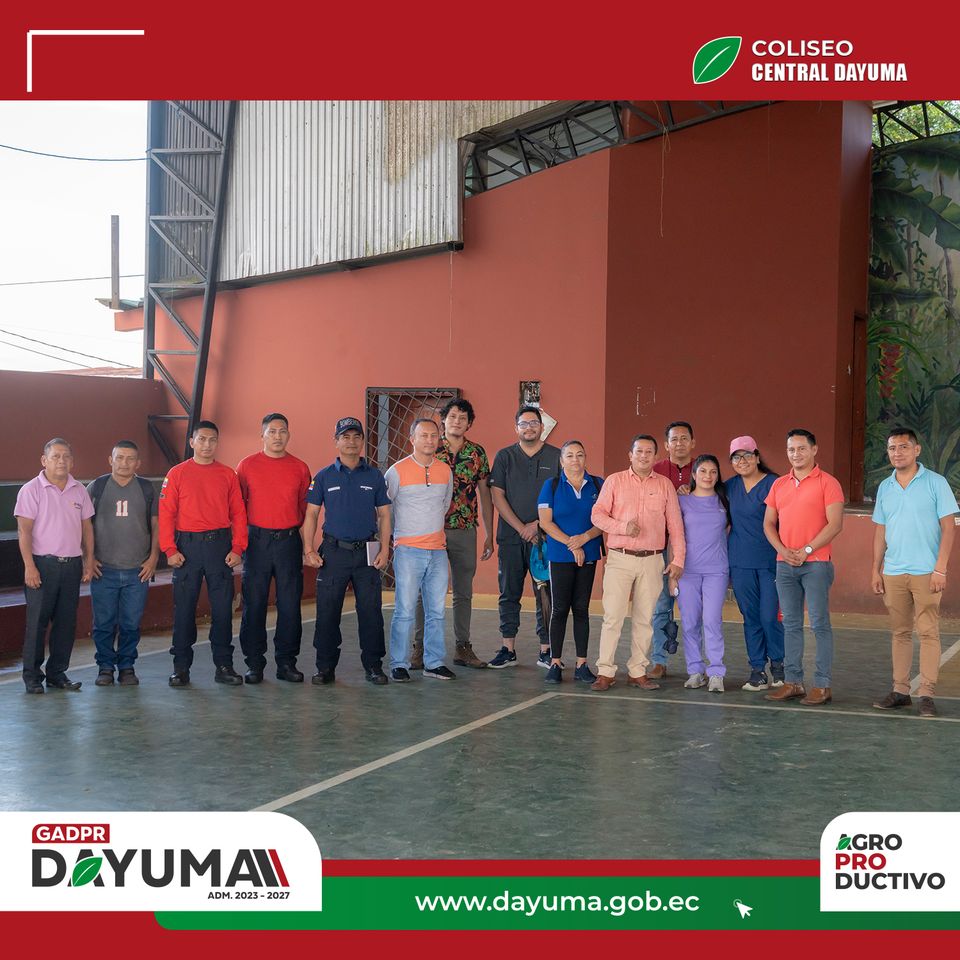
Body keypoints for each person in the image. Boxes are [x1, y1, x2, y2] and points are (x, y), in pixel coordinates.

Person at [871, 426, 958, 719]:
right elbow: (880, 531)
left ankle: (927, 694)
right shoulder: (885, 487)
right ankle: (900, 691)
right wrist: (876, 570)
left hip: (927, 572)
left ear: (916, 450)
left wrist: (940, 569)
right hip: (893, 572)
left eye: (904, 447)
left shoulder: (936, 483)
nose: (897, 453)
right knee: (900, 633)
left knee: (928, 632)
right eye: (892, 448)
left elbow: (948, 528)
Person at [589, 434, 685, 691]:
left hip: (653, 560)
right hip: (620, 558)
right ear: (630, 455)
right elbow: (597, 515)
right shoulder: (614, 481)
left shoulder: (664, 485)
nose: (644, 456)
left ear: (656, 456)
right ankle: (605, 671)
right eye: (639, 451)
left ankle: (638, 671)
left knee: (645, 618)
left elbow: (676, 526)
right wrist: (622, 527)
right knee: (613, 617)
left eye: (648, 452)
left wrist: (678, 560)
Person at [302, 417, 391, 685]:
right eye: (345, 437)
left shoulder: (374, 476)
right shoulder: (323, 477)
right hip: (334, 553)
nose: (351, 442)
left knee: (371, 612)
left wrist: (385, 549)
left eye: (356, 436)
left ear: (362, 441)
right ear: (336, 441)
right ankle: (325, 667)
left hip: (366, 553)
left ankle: (374, 666)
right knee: (327, 613)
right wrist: (308, 548)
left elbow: (384, 515)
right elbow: (311, 514)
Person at [159, 420, 248, 688]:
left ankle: (224, 666)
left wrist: (238, 547)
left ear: (217, 443)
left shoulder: (228, 474)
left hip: (219, 548)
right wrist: (169, 549)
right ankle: (180, 668)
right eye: (202, 439)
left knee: (222, 610)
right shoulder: (176, 473)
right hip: (186, 549)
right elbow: (166, 513)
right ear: (192, 442)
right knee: (184, 610)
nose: (207, 445)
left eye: (212, 440)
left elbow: (238, 513)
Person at [762, 428, 844, 706]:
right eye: (791, 449)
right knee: (791, 624)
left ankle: (822, 685)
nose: (796, 454)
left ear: (814, 450)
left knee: (819, 624)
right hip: (784, 565)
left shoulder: (828, 483)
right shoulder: (779, 484)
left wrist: (807, 550)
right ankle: (793, 682)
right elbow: (768, 524)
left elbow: (835, 524)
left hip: (816, 565)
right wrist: (783, 551)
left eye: (801, 448)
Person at [412, 398, 493, 670]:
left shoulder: (477, 453)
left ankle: (463, 647)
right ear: (443, 420)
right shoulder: (431, 448)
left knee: (463, 591)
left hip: (465, 530)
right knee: (425, 590)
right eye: (453, 416)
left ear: (469, 423)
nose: (457, 421)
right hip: (431, 529)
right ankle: (419, 647)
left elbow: (485, 494)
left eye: (463, 418)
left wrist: (489, 533)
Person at [236, 413, 312, 684]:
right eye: (272, 431)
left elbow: (305, 509)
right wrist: (239, 544)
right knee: (254, 604)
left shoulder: (300, 468)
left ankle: (286, 662)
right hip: (257, 542)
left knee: (290, 605)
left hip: (288, 542)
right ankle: (254, 663)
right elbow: (238, 508)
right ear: (262, 436)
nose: (277, 436)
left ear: (289, 435)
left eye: (282, 431)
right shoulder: (246, 466)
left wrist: (306, 545)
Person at [15, 438, 94, 693]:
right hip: (42, 565)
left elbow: (87, 528)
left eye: (66, 456)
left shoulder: (79, 490)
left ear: (72, 461)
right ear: (44, 460)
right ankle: (32, 677)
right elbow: (24, 531)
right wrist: (29, 566)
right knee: (37, 623)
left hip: (71, 566)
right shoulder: (31, 490)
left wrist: (88, 560)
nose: (61, 461)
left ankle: (57, 674)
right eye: (56, 456)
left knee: (65, 623)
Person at [487, 406, 561, 668]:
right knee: (508, 593)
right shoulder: (504, 457)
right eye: (523, 423)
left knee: (546, 594)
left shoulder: (557, 456)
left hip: (545, 539)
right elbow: (497, 495)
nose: (528, 428)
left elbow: (561, 496)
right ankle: (508, 649)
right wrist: (521, 528)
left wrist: (538, 526)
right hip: (511, 537)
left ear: (542, 427)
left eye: (533, 423)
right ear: (516, 428)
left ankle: (546, 650)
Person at [385, 419, 455, 681]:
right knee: (404, 611)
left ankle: (433, 663)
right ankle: (399, 664)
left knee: (436, 611)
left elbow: (444, 504)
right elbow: (385, 510)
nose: (429, 440)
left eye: (434, 435)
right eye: (423, 435)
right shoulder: (396, 471)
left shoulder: (445, 471)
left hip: (438, 551)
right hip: (408, 551)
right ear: (412, 438)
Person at [87, 440, 159, 686]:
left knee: (131, 623)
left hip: (137, 571)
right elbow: (83, 525)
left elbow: (157, 525)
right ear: (111, 460)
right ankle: (105, 667)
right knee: (103, 623)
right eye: (119, 458)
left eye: (130, 459)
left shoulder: (147, 488)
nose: (124, 463)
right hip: (103, 570)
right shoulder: (96, 487)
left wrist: (153, 558)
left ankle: (127, 666)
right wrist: (88, 557)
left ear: (138, 463)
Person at [536, 440, 603, 684]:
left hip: (589, 553)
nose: (575, 460)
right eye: (570, 455)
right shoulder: (551, 485)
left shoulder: (598, 484)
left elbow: (604, 520)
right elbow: (545, 522)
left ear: (585, 458)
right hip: (560, 555)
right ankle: (554, 663)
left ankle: (582, 664)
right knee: (560, 609)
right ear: (561, 460)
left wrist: (584, 538)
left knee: (582, 608)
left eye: (580, 455)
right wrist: (572, 544)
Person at [726, 436, 784, 692]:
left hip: (771, 561)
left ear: (757, 457)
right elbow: (703, 497)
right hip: (740, 562)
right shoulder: (729, 487)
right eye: (736, 457)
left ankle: (779, 666)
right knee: (750, 617)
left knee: (769, 617)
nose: (743, 461)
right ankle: (757, 670)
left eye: (747, 455)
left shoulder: (775, 484)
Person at [648, 420, 697, 679]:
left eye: (684, 438)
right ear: (666, 445)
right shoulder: (655, 470)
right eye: (674, 439)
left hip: (695, 550)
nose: (679, 443)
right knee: (660, 607)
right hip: (660, 548)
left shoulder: (703, 470)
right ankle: (659, 660)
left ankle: (695, 664)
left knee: (693, 611)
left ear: (693, 443)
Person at [678, 454, 730, 693]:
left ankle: (716, 672)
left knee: (711, 620)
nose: (708, 476)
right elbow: (675, 536)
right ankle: (695, 671)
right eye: (703, 471)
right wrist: (673, 571)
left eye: (713, 472)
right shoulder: (682, 501)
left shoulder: (724, 501)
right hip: (687, 571)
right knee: (690, 622)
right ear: (694, 474)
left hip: (716, 571)